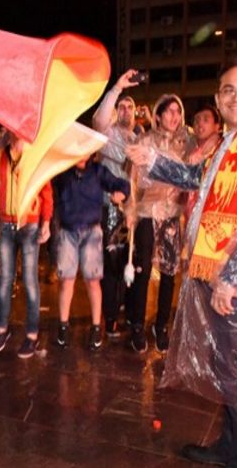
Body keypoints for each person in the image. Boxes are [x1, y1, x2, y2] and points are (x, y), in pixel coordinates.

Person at [127, 58, 237, 468]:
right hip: (220, 275)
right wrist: (150, 160)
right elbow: (195, 177)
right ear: (219, 100)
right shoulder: (231, 143)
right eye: (228, 90)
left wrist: (233, 279)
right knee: (230, 369)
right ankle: (231, 446)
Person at [126, 94, 192, 353]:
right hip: (147, 212)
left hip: (173, 214)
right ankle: (137, 325)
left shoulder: (185, 143)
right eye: (169, 111)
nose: (174, 116)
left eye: (178, 111)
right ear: (159, 115)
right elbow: (133, 179)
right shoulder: (145, 140)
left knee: (169, 273)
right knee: (142, 271)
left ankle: (161, 325)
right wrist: (131, 209)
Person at [0, 131, 53, 358]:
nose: (15, 133)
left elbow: (46, 191)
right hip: (6, 223)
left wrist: (46, 222)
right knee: (4, 281)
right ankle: (1, 329)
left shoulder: (35, 156)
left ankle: (32, 334)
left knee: (30, 281)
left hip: (29, 224)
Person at [52, 154, 129, 349]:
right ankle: (63, 326)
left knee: (93, 281)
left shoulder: (97, 171)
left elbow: (122, 184)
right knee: (66, 280)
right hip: (67, 231)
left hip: (92, 232)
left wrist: (122, 193)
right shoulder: (62, 170)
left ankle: (96, 327)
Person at [91, 69, 139, 338]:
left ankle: (121, 311)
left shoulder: (139, 139)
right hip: (109, 208)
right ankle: (109, 318)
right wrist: (117, 89)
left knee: (126, 264)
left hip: (132, 210)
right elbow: (99, 119)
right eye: (121, 107)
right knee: (110, 263)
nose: (125, 111)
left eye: (130, 107)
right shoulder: (107, 133)